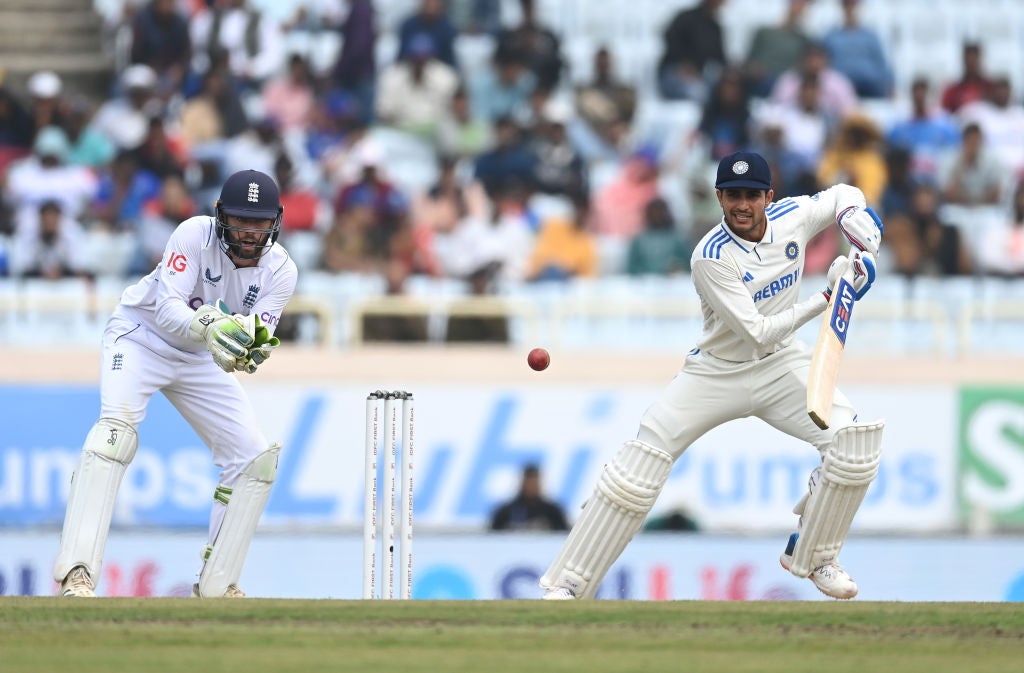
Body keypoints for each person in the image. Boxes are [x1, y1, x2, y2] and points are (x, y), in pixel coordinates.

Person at [540, 151, 884, 601]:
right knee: (638, 468)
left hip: (781, 365)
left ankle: (815, 553)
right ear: (719, 197)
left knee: (854, 445)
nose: (743, 205)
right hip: (716, 372)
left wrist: (855, 214)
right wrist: (832, 292)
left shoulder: (792, 216)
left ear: (768, 197)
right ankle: (569, 583)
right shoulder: (710, 256)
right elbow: (758, 332)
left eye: (752, 196)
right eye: (733, 196)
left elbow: (842, 192)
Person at [54, 169, 298, 598]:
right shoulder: (192, 234)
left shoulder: (281, 271)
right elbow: (167, 310)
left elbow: (255, 334)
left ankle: (219, 584)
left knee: (255, 458)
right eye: (241, 220)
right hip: (141, 337)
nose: (249, 232)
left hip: (198, 357)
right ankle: (77, 573)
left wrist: (246, 350)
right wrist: (212, 328)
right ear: (221, 214)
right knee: (113, 436)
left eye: (259, 223)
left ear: (275, 222)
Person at [490, 464, 569, 531]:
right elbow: (493, 536)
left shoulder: (552, 512)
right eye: (529, 483)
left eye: (534, 483)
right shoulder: (505, 512)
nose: (531, 487)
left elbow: (563, 535)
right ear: (522, 483)